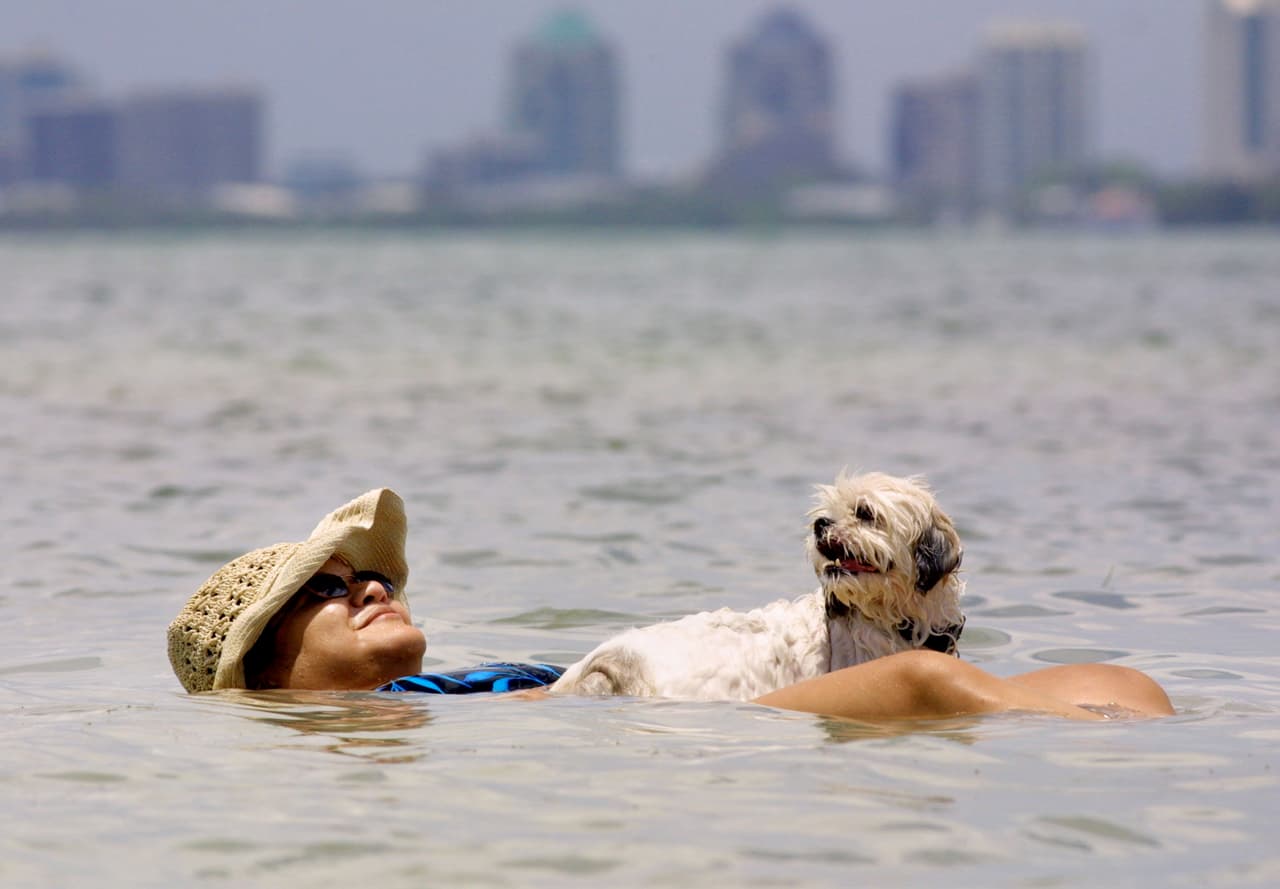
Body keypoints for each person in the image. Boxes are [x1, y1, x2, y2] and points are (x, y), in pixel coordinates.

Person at [168, 489, 1174, 721]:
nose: (371, 585)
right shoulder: (346, 726)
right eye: (327, 590)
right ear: (265, 671)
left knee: (1125, 681)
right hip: (677, 726)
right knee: (918, 677)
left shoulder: (428, 691)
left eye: (372, 575)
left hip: (661, 708)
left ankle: (1093, 732)